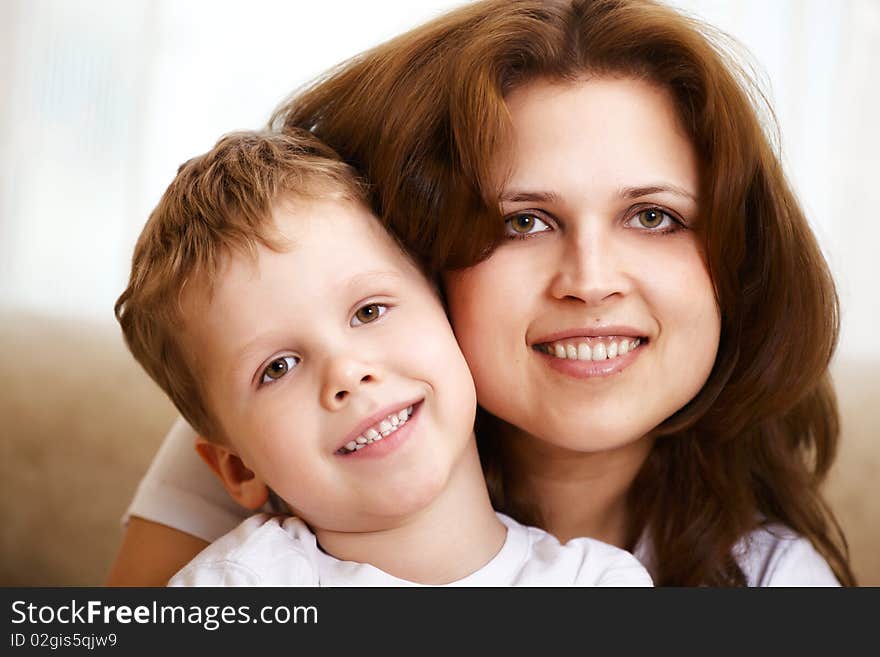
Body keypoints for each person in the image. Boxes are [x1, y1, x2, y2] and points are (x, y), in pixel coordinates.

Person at [107, 0, 855, 586]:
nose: (591, 280)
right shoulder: (307, 414)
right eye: (524, 220)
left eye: (653, 216)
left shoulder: (766, 577)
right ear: (425, 258)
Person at [113, 129, 653, 586]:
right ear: (237, 468)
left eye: (369, 312)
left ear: (450, 313)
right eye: (277, 368)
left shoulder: (599, 583)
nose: (347, 373)